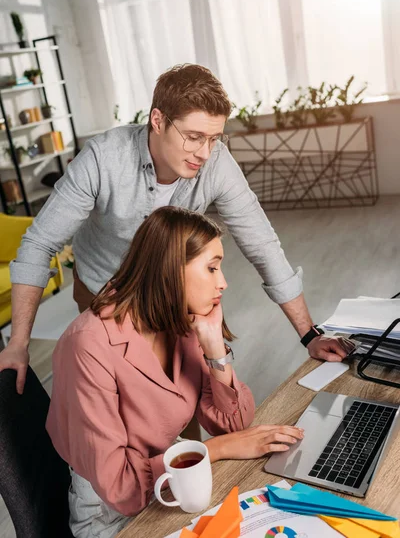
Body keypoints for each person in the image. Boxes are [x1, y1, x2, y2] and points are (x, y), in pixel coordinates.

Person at [1, 64, 346, 394]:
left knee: (180, 396)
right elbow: (39, 243)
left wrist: (308, 335)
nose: (205, 153)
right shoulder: (103, 158)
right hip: (103, 290)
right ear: (157, 120)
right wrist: (18, 345)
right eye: (194, 137)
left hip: (169, 292)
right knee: (124, 402)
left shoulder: (217, 164)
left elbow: (262, 243)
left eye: (214, 138)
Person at [46, 207, 304, 538]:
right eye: (211, 268)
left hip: (176, 476)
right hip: (112, 515)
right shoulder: (88, 345)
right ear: (169, 270)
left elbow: (233, 423)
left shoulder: (179, 319)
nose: (222, 282)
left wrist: (214, 349)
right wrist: (219, 449)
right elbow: (121, 487)